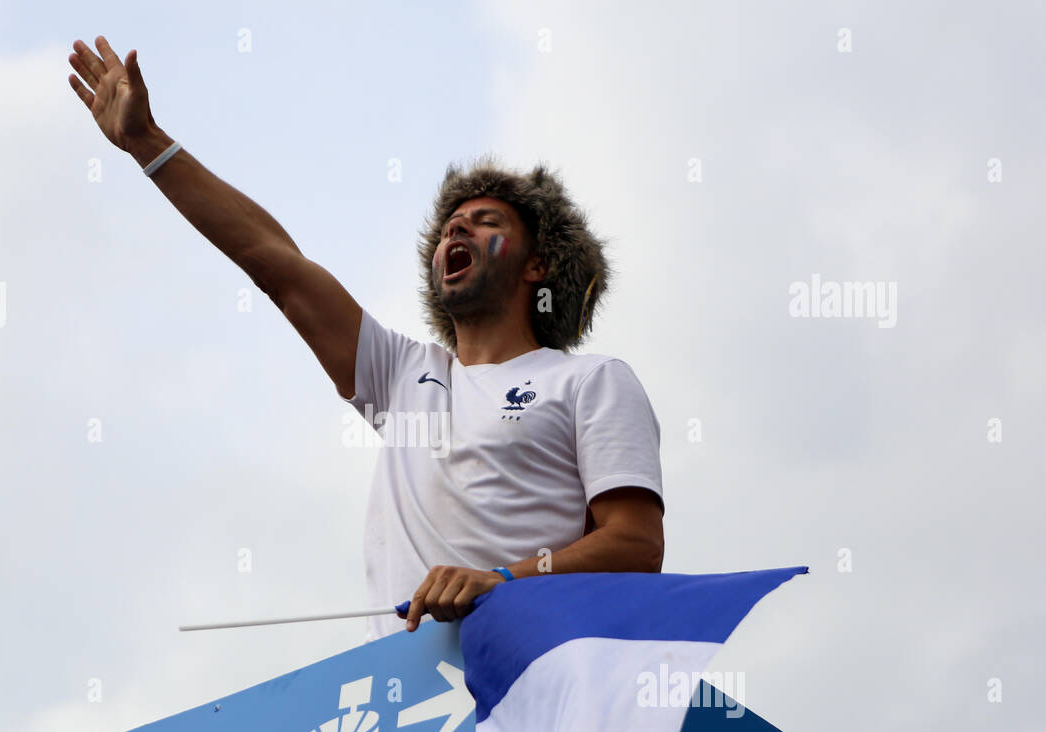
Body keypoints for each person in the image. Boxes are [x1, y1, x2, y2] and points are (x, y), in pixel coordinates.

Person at [68, 36, 665, 644]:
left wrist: (503, 579)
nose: (458, 223)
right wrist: (147, 143)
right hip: (411, 706)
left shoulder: (591, 381)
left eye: (488, 221)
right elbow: (276, 264)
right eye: (452, 223)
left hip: (533, 683)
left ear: (538, 266)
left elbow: (637, 545)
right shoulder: (403, 375)